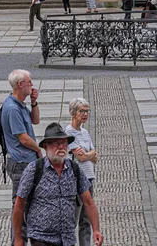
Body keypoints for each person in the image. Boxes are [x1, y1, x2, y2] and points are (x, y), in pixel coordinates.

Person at [13, 122, 104, 246]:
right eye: (57, 143)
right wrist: (18, 238)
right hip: (40, 238)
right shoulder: (34, 169)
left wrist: (96, 230)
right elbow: (19, 205)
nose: (62, 147)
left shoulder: (74, 169)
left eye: (64, 143)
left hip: (67, 239)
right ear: (46, 147)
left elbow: (88, 202)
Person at [1, 69, 42, 246]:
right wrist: (39, 150)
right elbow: (23, 138)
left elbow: (35, 121)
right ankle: (17, 242)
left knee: (26, 205)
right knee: (20, 206)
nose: (31, 85)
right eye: (29, 82)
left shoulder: (20, 104)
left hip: (26, 161)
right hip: (20, 163)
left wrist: (33, 102)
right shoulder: (12, 108)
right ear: (20, 84)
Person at [65, 98, 97, 246]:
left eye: (86, 111)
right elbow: (81, 156)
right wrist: (88, 154)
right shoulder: (68, 132)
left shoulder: (84, 132)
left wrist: (88, 155)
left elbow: (94, 156)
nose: (85, 114)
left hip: (89, 178)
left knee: (86, 219)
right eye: (81, 111)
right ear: (73, 113)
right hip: (77, 180)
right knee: (74, 218)